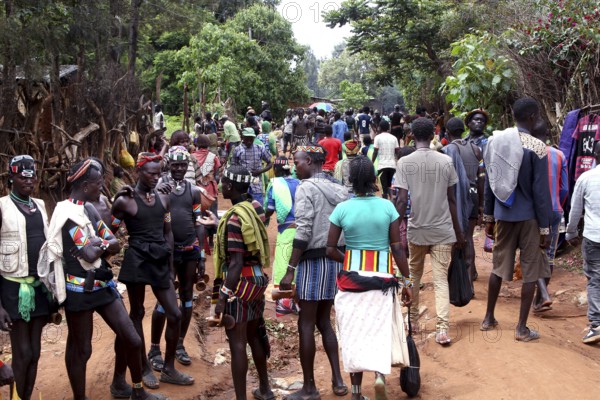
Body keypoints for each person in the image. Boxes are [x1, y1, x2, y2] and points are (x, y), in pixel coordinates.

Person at [38, 158, 165, 400]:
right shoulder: (66, 213)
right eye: (98, 184)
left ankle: (136, 390)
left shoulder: (89, 209)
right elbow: (88, 253)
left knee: (131, 337)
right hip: (78, 290)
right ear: (85, 186)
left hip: (102, 284)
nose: (102, 188)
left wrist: (98, 243)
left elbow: (114, 244)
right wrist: (97, 244)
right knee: (82, 349)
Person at [327, 156, 412, 400]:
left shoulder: (342, 209)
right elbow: (397, 248)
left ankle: (355, 392)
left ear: (351, 181)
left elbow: (330, 249)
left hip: (351, 280)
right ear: (375, 179)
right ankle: (379, 378)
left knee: (355, 333)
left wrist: (353, 260)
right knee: (379, 329)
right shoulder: (387, 207)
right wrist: (408, 283)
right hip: (383, 280)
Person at [112, 153, 194, 387]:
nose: (156, 177)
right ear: (139, 171)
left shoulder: (163, 198)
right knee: (137, 312)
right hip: (137, 258)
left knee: (175, 313)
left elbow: (167, 232)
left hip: (159, 258)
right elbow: (109, 229)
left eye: (159, 173)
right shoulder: (125, 201)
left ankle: (168, 368)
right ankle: (144, 368)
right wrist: (114, 200)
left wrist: (169, 267)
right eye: (151, 173)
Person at [481, 97, 552, 342]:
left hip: (503, 215)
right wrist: (546, 227)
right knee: (531, 270)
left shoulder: (495, 142)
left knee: (498, 267)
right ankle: (521, 328)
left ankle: (488, 317)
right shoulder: (537, 147)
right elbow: (541, 192)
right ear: (532, 117)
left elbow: (490, 183)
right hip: (530, 218)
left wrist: (488, 216)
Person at [280, 145, 348, 399]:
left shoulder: (306, 188)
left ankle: (309, 388)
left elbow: (304, 230)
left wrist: (290, 270)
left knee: (306, 323)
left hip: (312, 262)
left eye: (296, 162)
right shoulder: (340, 189)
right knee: (324, 321)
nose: (294, 167)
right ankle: (338, 381)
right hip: (335, 261)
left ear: (309, 161)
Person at [201, 165, 274, 400]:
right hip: (257, 279)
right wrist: (216, 223)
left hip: (238, 282)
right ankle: (265, 389)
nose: (220, 186)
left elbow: (234, 262)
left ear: (230, 186)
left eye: (222, 183)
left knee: (237, 343)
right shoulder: (255, 208)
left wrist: (222, 297)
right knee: (255, 334)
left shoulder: (233, 218)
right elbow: (244, 228)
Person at [394, 117, 465, 345]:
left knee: (414, 275)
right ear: (434, 135)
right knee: (441, 279)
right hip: (444, 230)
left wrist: (394, 228)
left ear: (412, 136)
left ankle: (412, 321)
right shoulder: (445, 161)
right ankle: (442, 329)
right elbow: (452, 200)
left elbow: (402, 199)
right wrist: (460, 232)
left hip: (417, 230)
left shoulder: (404, 163)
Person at [148, 147, 207, 370]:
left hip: (190, 249)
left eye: (183, 165)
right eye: (176, 165)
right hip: (168, 252)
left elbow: (198, 223)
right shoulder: (161, 188)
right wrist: (156, 192)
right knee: (165, 299)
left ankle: (180, 344)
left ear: (188, 167)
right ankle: (154, 348)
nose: (179, 169)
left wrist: (201, 255)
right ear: (169, 165)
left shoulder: (193, 191)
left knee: (187, 296)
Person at [0, 155, 50, 400]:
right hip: (12, 291)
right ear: (12, 178)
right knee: (22, 352)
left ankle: (26, 397)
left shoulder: (39, 205)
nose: (28, 182)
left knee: (35, 353)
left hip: (39, 288)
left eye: (31, 177)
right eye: (22, 177)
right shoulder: (2, 207)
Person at [532, 119, 568, 312]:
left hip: (534, 212)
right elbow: (564, 188)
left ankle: (543, 294)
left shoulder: (529, 152)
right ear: (548, 134)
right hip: (555, 210)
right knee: (549, 255)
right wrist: (557, 205)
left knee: (533, 253)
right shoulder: (560, 154)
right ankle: (539, 299)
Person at [444, 117, 484, 290]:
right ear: (463, 130)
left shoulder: (446, 151)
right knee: (468, 237)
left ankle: (457, 281)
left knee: (455, 237)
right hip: (473, 194)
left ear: (447, 132)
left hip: (454, 197)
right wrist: (481, 204)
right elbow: (482, 179)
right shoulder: (476, 149)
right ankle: (469, 278)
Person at [566, 141, 600, 344]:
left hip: (594, 236)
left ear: (595, 155)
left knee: (596, 279)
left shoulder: (586, 178)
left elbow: (575, 209)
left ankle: (596, 325)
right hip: (593, 236)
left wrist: (570, 233)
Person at [265, 157, 301, 316]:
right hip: (302, 229)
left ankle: (285, 303)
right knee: (298, 264)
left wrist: (263, 219)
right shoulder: (299, 183)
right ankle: (298, 302)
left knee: (283, 264)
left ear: (277, 170)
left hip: (286, 230)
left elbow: (270, 209)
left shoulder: (275, 184)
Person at [231, 128, 273, 206]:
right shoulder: (237, 150)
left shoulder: (260, 148)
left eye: (251, 138)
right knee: (243, 209)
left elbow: (270, 163)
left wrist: (260, 171)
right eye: (247, 138)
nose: (249, 141)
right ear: (242, 137)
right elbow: (234, 167)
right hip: (242, 186)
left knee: (258, 209)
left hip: (257, 186)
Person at [192, 134, 221, 245]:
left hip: (197, 190)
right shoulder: (213, 157)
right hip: (210, 190)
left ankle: (200, 239)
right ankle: (211, 241)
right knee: (212, 213)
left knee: (198, 214)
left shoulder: (192, 156)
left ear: (197, 144)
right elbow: (217, 176)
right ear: (208, 144)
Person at [372, 119, 399, 199]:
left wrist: (372, 162)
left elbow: (375, 152)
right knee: (391, 187)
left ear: (380, 127)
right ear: (388, 127)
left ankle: (385, 206)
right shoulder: (394, 138)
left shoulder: (377, 138)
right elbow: (397, 151)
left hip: (382, 166)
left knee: (384, 189)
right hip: (392, 165)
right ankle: (393, 203)